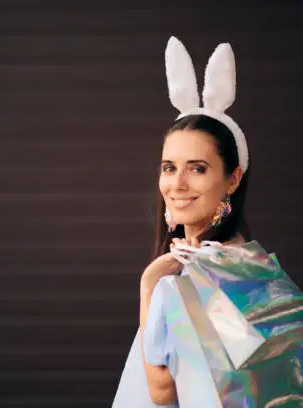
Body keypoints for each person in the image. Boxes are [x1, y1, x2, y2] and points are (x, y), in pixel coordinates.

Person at [112, 36, 251, 407]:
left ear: (233, 179)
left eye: (198, 169)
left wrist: (149, 284)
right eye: (169, 168)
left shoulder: (196, 275)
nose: (178, 184)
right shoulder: (248, 263)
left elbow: (161, 394)